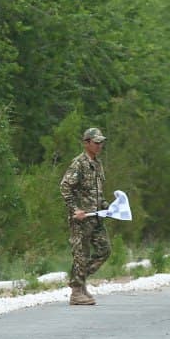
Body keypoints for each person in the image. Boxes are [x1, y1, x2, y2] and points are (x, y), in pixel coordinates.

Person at [59, 127, 111, 306]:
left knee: (104, 250)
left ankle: (79, 282)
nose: (99, 146)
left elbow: (98, 193)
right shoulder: (79, 163)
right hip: (81, 219)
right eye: (96, 142)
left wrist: (107, 207)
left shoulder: (97, 164)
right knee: (81, 255)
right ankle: (76, 292)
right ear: (86, 143)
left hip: (96, 217)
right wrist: (75, 209)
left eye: (101, 142)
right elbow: (65, 187)